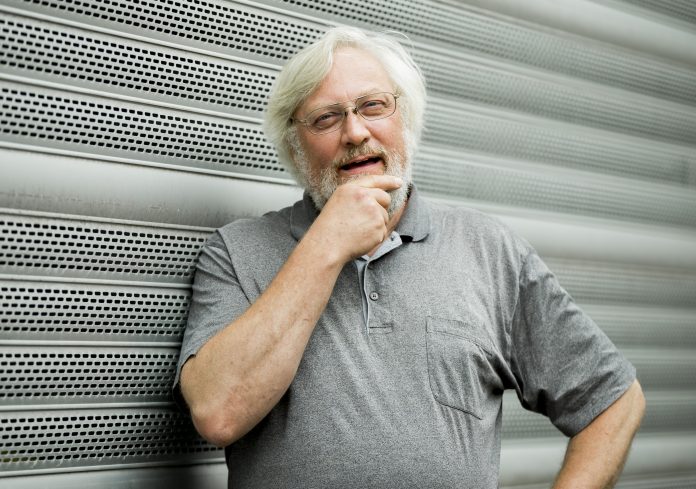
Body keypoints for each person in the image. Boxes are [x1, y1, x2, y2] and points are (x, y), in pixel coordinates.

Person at [175, 26, 645, 488]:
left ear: (407, 120)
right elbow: (218, 413)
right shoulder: (237, 253)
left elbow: (613, 401)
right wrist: (325, 245)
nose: (355, 132)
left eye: (373, 106)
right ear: (295, 148)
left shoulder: (489, 250)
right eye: (326, 118)